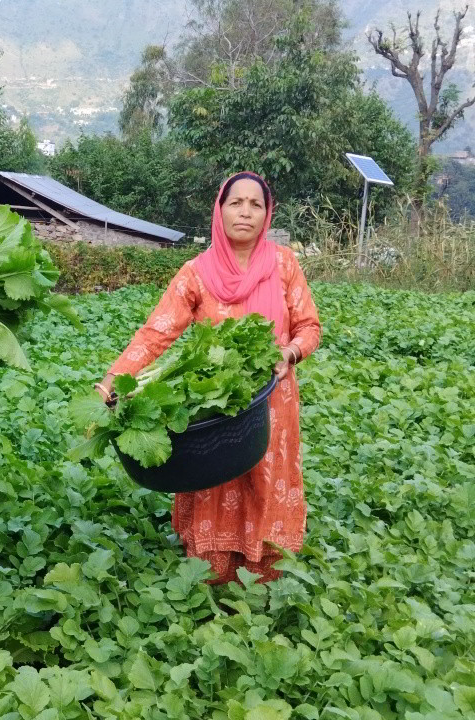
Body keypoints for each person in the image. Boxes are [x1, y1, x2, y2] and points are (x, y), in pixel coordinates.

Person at [96, 172, 320, 585]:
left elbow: (309, 327)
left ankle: (261, 570)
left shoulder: (284, 263)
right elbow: (157, 331)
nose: (246, 212)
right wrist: (116, 377)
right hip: (213, 402)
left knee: (264, 478)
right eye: (236, 203)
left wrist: (289, 352)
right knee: (217, 476)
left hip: (272, 398)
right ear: (220, 210)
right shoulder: (196, 272)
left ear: (267, 213)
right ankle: (213, 569)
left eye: (256, 204)